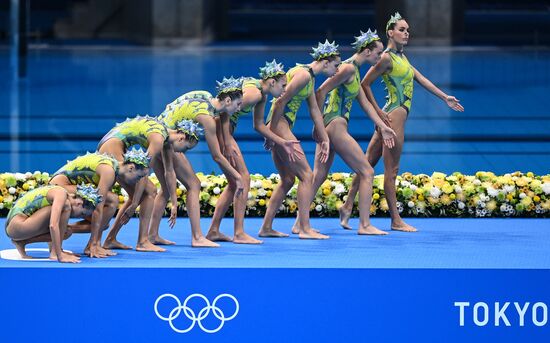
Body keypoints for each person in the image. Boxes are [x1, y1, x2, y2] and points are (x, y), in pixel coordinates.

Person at [340, 13, 464, 232]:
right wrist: (378, 112)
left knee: (367, 162)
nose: (407, 33)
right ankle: (395, 220)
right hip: (394, 116)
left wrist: (445, 97)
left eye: (407, 30)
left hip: (390, 116)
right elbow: (365, 84)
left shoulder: (401, 57)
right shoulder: (386, 58)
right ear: (390, 32)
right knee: (392, 170)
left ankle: (347, 205)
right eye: (402, 30)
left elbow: (420, 78)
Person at [294, 29, 396, 236]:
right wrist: (319, 126)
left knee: (318, 175)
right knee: (367, 172)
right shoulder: (348, 69)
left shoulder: (353, 70)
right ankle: (365, 225)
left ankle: (299, 223)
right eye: (377, 53)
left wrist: (383, 126)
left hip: (332, 126)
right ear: (367, 52)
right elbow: (320, 90)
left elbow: (366, 104)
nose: (379, 57)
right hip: (335, 126)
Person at [206, 60, 302, 244]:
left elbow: (258, 125)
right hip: (221, 128)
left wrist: (281, 142)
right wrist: (226, 140)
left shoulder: (262, 95)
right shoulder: (254, 93)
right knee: (243, 177)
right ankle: (239, 233)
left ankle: (213, 230)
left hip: (225, 130)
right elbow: (222, 111)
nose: (284, 90)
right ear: (271, 82)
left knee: (235, 183)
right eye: (283, 85)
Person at [259, 40, 341, 239]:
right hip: (279, 124)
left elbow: (314, 111)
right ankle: (304, 228)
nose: (338, 70)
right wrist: (271, 133)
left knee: (288, 180)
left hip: (279, 124)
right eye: (336, 65)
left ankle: (266, 227)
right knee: (307, 175)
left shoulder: (309, 77)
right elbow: (279, 103)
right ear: (326, 61)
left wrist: (325, 140)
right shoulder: (303, 75)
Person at [151, 78, 245, 247]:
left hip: (156, 136)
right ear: (228, 100)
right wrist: (237, 176)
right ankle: (197, 237)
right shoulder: (207, 119)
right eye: (238, 104)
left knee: (166, 189)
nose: (239, 109)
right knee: (193, 184)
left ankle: (152, 235)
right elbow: (216, 156)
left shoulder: (206, 96)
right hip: (166, 142)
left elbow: (171, 105)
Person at [97, 115, 197, 251]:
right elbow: (142, 172)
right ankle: (142, 241)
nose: (182, 152)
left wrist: (174, 202)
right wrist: (133, 205)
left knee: (142, 193)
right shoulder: (158, 138)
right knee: (149, 191)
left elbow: (169, 172)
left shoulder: (166, 141)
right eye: (185, 148)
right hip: (111, 146)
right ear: (181, 138)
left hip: (114, 144)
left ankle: (110, 239)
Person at [49, 150, 148, 257]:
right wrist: (93, 244)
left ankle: (64, 230)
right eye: (138, 177)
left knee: (104, 224)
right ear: (131, 168)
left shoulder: (113, 170)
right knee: (112, 200)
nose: (138, 181)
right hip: (58, 186)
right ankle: (89, 244)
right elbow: (98, 207)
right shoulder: (109, 171)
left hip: (65, 185)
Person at [5, 184, 101, 263]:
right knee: (65, 207)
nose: (79, 217)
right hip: (17, 225)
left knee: (67, 232)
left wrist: (59, 249)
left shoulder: (63, 195)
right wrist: (59, 255)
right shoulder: (62, 195)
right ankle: (55, 252)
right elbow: (53, 225)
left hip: (17, 227)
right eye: (82, 213)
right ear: (78, 203)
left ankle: (21, 242)